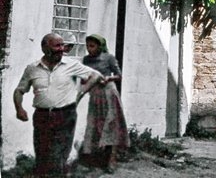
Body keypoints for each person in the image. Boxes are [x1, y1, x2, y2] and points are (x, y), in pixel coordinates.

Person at [13, 32, 103, 177]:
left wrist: (80, 94)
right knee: (41, 157)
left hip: (65, 116)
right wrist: (19, 109)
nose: (62, 49)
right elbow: (19, 90)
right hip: (41, 117)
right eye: (57, 45)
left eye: (62, 45)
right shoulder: (32, 68)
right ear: (45, 48)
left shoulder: (71, 65)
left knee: (57, 159)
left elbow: (95, 76)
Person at [81, 34, 129, 171]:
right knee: (94, 125)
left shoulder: (109, 58)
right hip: (95, 94)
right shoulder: (86, 60)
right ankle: (95, 158)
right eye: (87, 46)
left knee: (111, 124)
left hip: (108, 93)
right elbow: (84, 78)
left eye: (92, 46)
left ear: (100, 46)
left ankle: (111, 159)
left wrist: (108, 78)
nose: (89, 49)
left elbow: (119, 76)